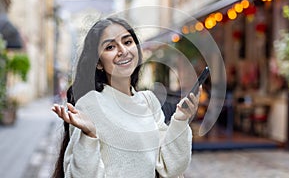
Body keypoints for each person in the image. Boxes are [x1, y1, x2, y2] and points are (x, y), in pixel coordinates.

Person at [51, 17, 200, 178]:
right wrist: (89, 136)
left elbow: (170, 167)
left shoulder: (149, 101)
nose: (123, 50)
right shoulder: (90, 104)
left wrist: (180, 119)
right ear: (98, 63)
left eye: (127, 42)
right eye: (110, 47)